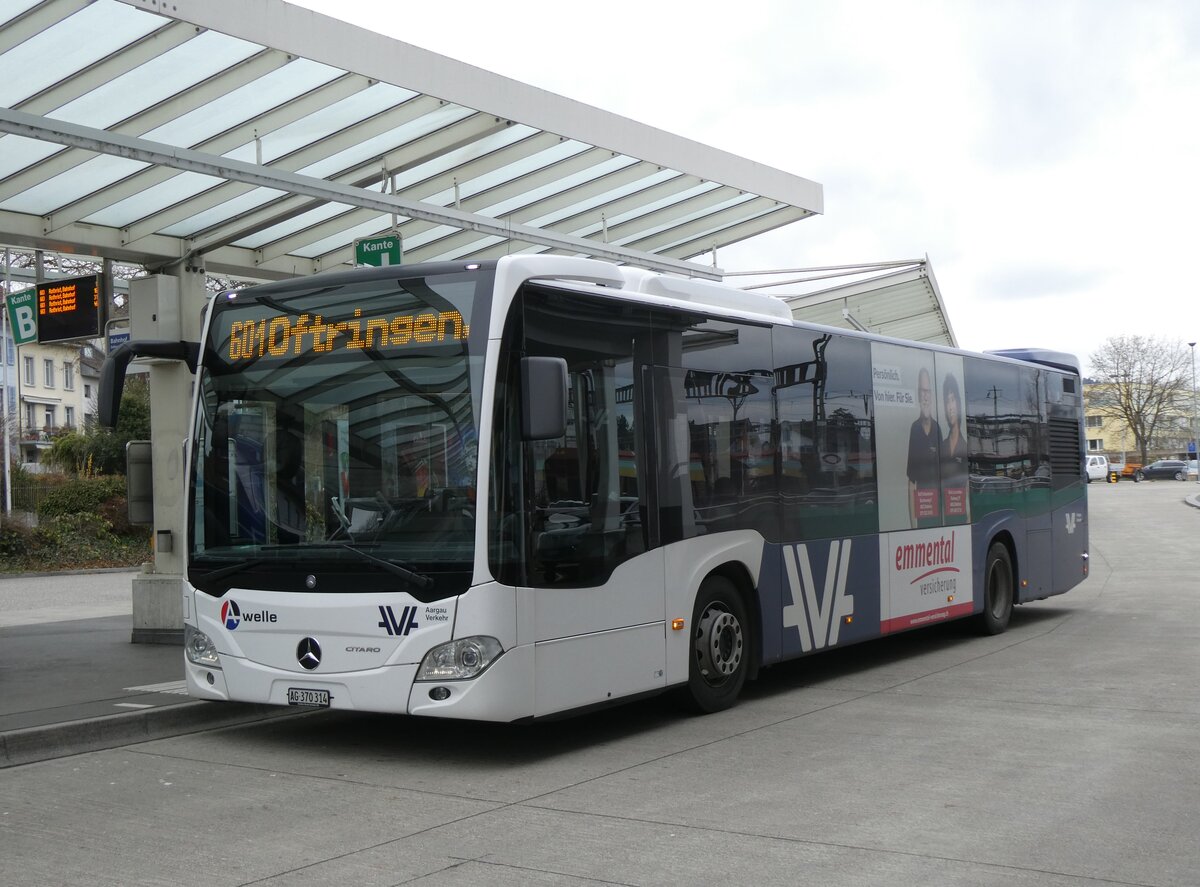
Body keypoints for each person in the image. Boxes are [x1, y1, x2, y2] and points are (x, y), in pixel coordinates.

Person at [906, 366, 941, 527]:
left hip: (938, 516)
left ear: (932, 396)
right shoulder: (914, 429)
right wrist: (913, 525)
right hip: (922, 513)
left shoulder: (937, 429)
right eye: (922, 391)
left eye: (928, 392)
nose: (925, 397)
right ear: (918, 396)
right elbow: (911, 482)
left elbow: (944, 477)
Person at [940, 373, 969, 520]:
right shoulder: (942, 445)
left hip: (962, 519)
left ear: (958, 402)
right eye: (947, 401)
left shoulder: (966, 446)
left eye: (953, 400)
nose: (950, 407)